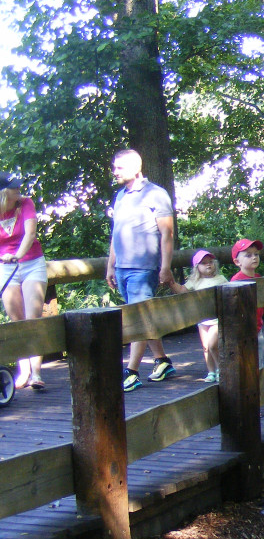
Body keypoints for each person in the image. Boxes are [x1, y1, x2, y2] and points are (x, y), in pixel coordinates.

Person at [105, 149, 176, 392]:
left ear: (136, 167)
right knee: (143, 318)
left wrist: (165, 267)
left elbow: (167, 233)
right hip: (123, 267)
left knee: (137, 319)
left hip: (144, 268)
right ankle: (162, 361)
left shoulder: (156, 194)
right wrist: (110, 265)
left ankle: (131, 372)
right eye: (114, 167)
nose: (115, 171)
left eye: (120, 167)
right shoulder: (120, 196)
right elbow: (116, 233)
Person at [0, 172, 48, 389]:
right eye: (13, 187)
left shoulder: (26, 203)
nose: (19, 189)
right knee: (17, 322)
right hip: (5, 267)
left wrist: (18, 255)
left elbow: (30, 234)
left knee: (32, 319)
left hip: (31, 263)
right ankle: (24, 371)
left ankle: (36, 373)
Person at [168, 250, 228, 383]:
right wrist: (170, 282)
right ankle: (211, 371)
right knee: (206, 347)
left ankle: (220, 369)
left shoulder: (221, 279)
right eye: (204, 263)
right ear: (197, 267)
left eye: (210, 262)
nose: (208, 265)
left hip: (217, 318)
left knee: (213, 345)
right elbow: (182, 291)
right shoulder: (195, 281)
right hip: (202, 319)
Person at [230, 238, 264, 368]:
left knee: (258, 363)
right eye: (248, 255)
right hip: (242, 330)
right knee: (245, 364)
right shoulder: (236, 281)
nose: (254, 258)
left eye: (256, 254)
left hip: (257, 328)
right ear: (237, 261)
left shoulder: (257, 277)